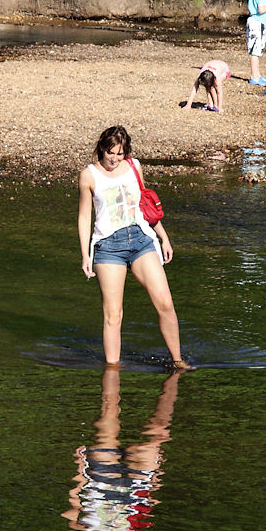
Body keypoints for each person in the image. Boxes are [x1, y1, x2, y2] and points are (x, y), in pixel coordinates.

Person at [63, 365, 181, 531]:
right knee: (159, 432)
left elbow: (73, 512)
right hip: (135, 489)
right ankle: (175, 375)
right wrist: (156, 480)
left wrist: (80, 469)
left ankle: (112, 367)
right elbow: (141, 516)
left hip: (100, 482)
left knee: (109, 415)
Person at [78, 126, 187, 369]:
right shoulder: (89, 176)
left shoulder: (134, 166)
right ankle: (112, 373)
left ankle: (178, 362)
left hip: (141, 239)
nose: (114, 159)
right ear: (101, 148)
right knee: (113, 315)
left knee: (165, 303)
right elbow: (84, 217)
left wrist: (163, 237)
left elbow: (144, 206)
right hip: (108, 246)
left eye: (119, 154)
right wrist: (85, 254)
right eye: (110, 153)